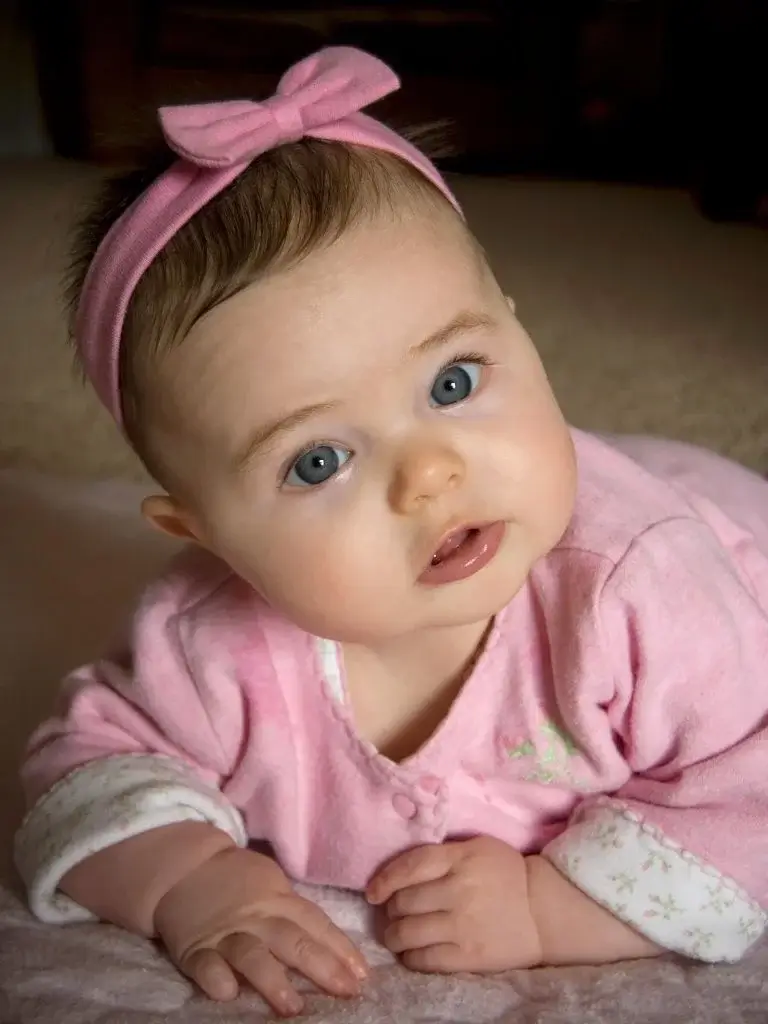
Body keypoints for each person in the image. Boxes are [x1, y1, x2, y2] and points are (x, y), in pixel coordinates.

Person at [14, 46, 767, 1019]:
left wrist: (557, 909)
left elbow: (751, 782)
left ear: (517, 327)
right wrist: (190, 879)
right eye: (318, 460)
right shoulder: (210, 643)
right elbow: (83, 770)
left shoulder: (644, 589)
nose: (430, 473)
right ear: (206, 535)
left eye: (454, 382)